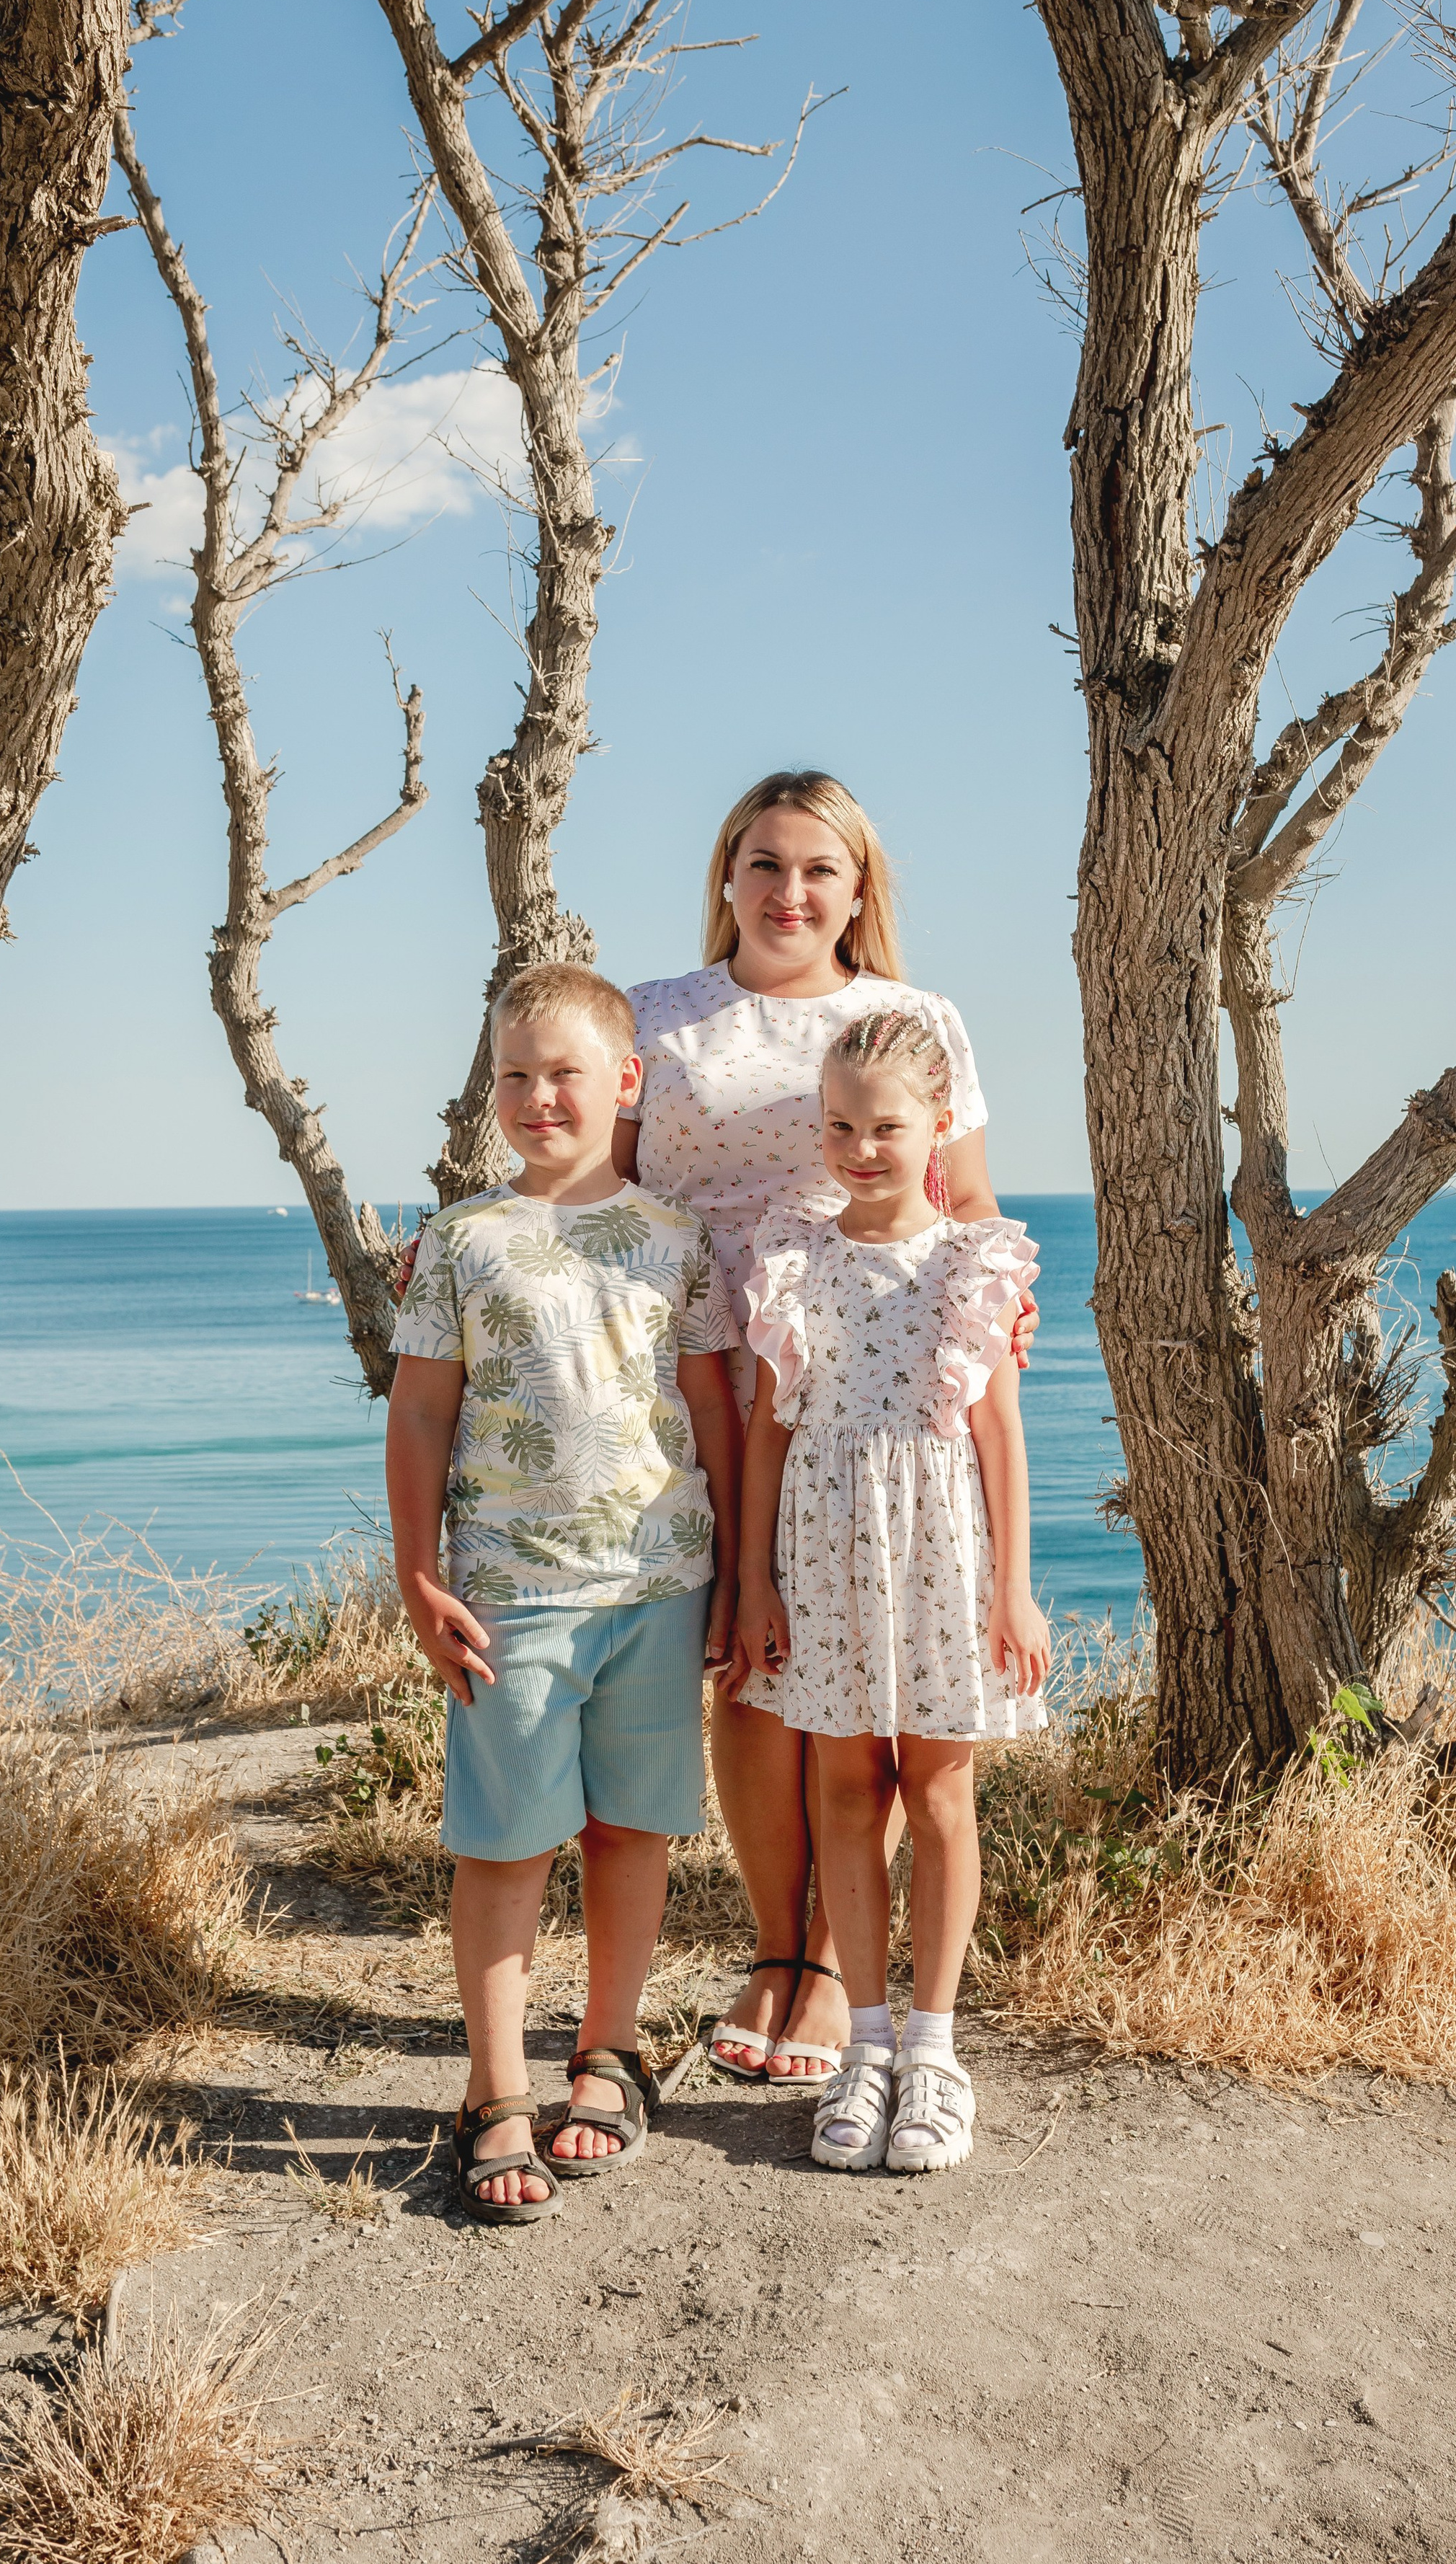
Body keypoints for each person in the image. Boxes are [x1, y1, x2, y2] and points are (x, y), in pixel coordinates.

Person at [615, 771, 1036, 2085]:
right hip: (691, 1363)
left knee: (870, 1656)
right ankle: (776, 1952)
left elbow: (965, 1203)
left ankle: (847, 1975)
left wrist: (993, 1325)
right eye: (765, 864)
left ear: (860, 891)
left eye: (820, 870)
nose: (790, 893)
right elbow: (596, 1182)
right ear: (726, 873)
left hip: (865, 1365)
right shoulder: (660, 1015)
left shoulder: (914, 1019)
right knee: (753, 1656)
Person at [386, 963, 742, 2223]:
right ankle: (495, 2090)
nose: (541, 1095)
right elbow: (423, 1409)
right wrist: (419, 1573)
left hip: (660, 1583)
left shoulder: (677, 1241)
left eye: (567, 1073)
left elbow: (710, 1408)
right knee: (506, 1840)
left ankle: (608, 2052)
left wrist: (740, 1572)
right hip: (511, 1597)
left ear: (625, 1083)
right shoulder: (463, 1243)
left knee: (630, 1830)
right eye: (516, 1075)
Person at [735, 1008, 1049, 2172]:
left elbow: (1001, 1438)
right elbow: (772, 1433)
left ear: (939, 1126)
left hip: (943, 1561)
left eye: (888, 1125)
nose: (863, 1146)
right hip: (823, 1560)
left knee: (943, 1794)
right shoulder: (791, 1255)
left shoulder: (975, 1261)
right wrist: (757, 1582)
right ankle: (862, 2046)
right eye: (841, 1126)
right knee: (847, 1793)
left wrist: (1014, 1591)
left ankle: (934, 2048)